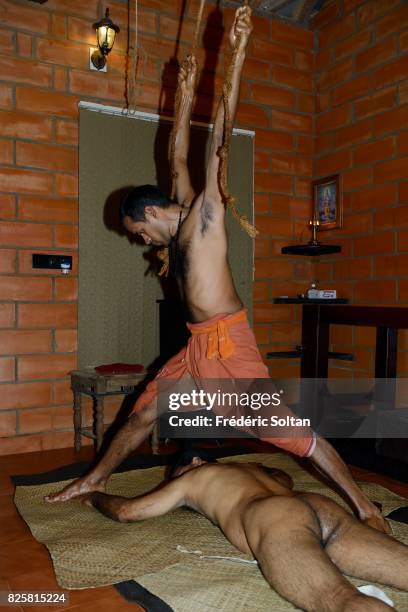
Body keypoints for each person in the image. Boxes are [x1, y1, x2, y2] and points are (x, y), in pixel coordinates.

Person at [45, 6, 389, 534]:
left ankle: (362, 505)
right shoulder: (178, 212)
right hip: (197, 344)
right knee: (144, 410)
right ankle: (95, 479)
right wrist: (181, 97)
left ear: (151, 214)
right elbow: (178, 154)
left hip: (229, 345)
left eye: (136, 230)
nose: (139, 240)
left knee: (291, 435)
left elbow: (218, 143)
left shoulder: (205, 215)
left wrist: (236, 54)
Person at [82, 454, 408, 611]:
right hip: (318, 505)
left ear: (193, 464)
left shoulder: (191, 480)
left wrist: (94, 495)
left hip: (274, 517)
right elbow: (284, 477)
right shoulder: (254, 469)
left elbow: (127, 512)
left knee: (338, 598)